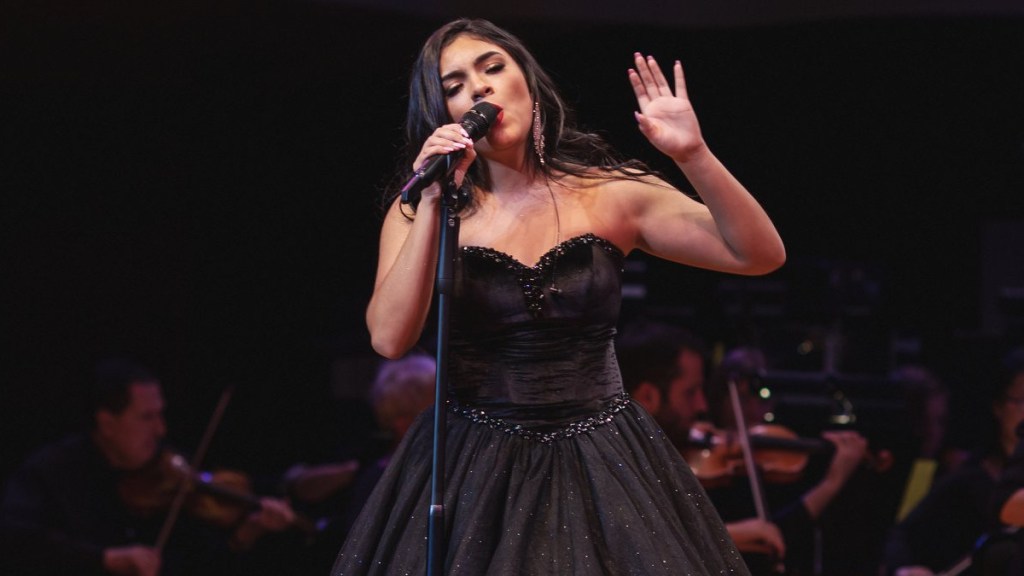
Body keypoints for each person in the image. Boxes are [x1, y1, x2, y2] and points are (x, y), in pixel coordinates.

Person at [335, 17, 786, 575]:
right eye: (454, 86)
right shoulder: (420, 210)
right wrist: (431, 202)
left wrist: (693, 155)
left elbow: (759, 254)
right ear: (442, 113)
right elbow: (388, 339)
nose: (478, 88)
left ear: (528, 82)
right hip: (472, 463)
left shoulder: (608, 193)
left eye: (492, 68)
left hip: (605, 456)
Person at [0, 358, 299, 576]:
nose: (160, 430)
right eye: (146, 417)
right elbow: (13, 541)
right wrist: (106, 559)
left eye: (161, 414)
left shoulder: (171, 472)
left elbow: (198, 563)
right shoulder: (53, 470)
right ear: (107, 423)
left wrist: (246, 534)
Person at [614, 320, 787, 562]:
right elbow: (631, 541)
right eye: (690, 393)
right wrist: (727, 537)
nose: (702, 405)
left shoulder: (666, 459)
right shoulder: (614, 458)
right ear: (648, 396)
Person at [882, 346, 1024, 576]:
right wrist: (906, 568)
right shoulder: (970, 477)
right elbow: (903, 535)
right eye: (1021, 400)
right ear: (998, 406)